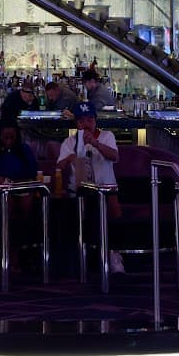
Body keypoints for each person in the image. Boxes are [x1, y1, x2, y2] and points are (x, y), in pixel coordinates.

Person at [57, 103, 123, 272]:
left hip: (105, 189)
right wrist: (70, 158)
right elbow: (59, 167)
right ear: (76, 123)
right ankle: (74, 259)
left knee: (113, 204)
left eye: (90, 119)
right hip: (79, 191)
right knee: (63, 208)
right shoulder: (70, 141)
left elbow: (115, 156)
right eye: (82, 121)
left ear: (95, 120)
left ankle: (113, 254)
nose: (86, 124)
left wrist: (95, 144)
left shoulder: (107, 136)